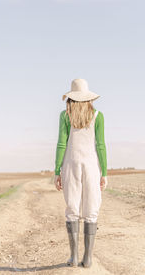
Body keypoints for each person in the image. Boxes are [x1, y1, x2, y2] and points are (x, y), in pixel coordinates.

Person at [54, 78, 108, 268]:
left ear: (71, 98)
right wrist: (105, 173)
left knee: (72, 210)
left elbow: (62, 144)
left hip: (71, 164)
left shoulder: (64, 115)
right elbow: (101, 146)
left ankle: (73, 257)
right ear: (88, 98)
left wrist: (56, 171)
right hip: (92, 166)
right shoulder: (98, 115)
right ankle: (88, 258)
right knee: (91, 210)